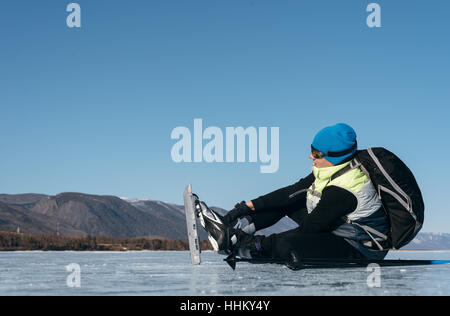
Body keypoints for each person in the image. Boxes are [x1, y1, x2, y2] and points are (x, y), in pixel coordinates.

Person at [208, 123, 390, 262]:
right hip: (338, 227)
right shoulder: (330, 170)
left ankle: (242, 242)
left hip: (360, 246)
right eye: (312, 149)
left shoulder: (344, 189)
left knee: (286, 246)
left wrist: (252, 243)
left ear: (335, 157)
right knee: (289, 201)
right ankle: (236, 229)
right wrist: (243, 209)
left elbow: (309, 229)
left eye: (317, 153)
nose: (311, 156)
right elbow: (291, 192)